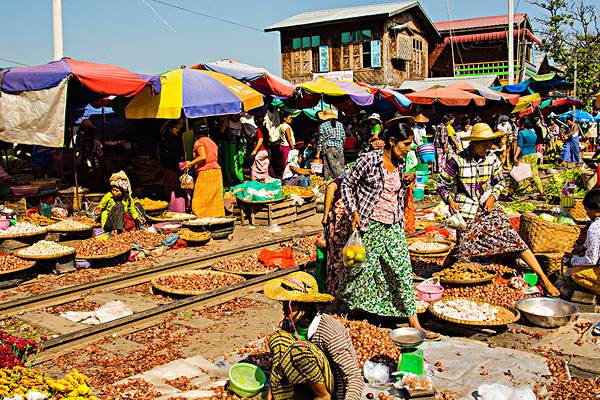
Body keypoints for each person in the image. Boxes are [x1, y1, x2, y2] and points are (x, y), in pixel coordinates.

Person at [339, 121, 438, 338]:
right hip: (370, 224)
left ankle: (415, 323)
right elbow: (346, 184)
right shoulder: (369, 160)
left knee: (402, 270)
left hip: (393, 225)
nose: (409, 149)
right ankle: (346, 312)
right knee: (358, 270)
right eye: (406, 144)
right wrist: (353, 211)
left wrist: (405, 182)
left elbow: (393, 191)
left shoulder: (400, 163)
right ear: (392, 142)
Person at [437, 123, 560, 297]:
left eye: (489, 143)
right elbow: (441, 183)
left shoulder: (492, 159)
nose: (488, 147)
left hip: (489, 207)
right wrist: (449, 200)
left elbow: (501, 181)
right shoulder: (457, 161)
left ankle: (544, 279)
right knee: (463, 252)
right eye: (484, 143)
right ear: (473, 143)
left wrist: (493, 196)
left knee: (514, 239)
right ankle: (448, 268)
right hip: (467, 210)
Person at [264, 271, 363, 400]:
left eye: (290, 304)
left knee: (299, 351)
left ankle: (323, 397)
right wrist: (271, 394)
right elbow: (279, 362)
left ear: (305, 305)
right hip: (306, 382)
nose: (284, 309)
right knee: (278, 339)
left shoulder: (330, 331)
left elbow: (354, 377)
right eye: (284, 303)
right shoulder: (289, 324)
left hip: (333, 389)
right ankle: (293, 393)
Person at [186, 120, 225, 218]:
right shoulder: (212, 142)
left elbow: (203, 157)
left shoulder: (199, 142)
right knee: (214, 199)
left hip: (206, 173)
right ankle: (217, 219)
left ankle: (201, 220)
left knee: (200, 199)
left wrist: (190, 163)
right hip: (217, 172)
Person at [322, 178, 350, 297]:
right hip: (340, 228)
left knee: (336, 259)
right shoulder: (345, 181)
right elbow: (330, 188)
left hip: (341, 228)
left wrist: (325, 215)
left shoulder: (343, 181)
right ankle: (339, 293)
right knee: (342, 260)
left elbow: (330, 188)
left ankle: (335, 291)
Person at [513, 117, 544, 198]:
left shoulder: (522, 133)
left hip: (525, 154)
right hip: (534, 154)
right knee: (534, 173)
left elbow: (520, 146)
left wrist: (515, 156)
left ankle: (518, 190)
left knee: (519, 173)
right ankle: (541, 191)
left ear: (523, 124)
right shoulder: (533, 133)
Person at [571, 190, 600, 267]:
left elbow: (591, 260)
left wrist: (572, 260)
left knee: (574, 272)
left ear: (595, 210)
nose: (586, 213)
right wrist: (583, 247)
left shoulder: (594, 228)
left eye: (586, 210)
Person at [316, 109, 346, 180]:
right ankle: (342, 181)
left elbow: (321, 140)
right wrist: (341, 147)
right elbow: (343, 137)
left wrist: (318, 153)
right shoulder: (340, 124)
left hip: (329, 148)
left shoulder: (323, 125)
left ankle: (332, 183)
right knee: (340, 166)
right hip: (339, 148)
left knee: (329, 168)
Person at [159, 119, 185, 198]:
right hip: (171, 167)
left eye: (178, 128)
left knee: (172, 188)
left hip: (171, 167)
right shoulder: (170, 140)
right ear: (170, 129)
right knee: (173, 189)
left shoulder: (168, 138)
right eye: (176, 128)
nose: (177, 130)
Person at [219, 114, 245, 185]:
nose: (237, 116)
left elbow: (242, 134)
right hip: (228, 146)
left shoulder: (240, 122)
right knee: (228, 164)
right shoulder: (227, 121)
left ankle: (238, 179)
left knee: (238, 163)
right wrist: (226, 117)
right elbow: (222, 130)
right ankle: (230, 180)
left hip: (237, 146)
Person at [250, 116, 271, 182]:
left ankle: (254, 181)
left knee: (255, 169)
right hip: (266, 151)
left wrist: (254, 151)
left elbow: (260, 140)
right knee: (263, 167)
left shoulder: (259, 129)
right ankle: (264, 181)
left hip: (261, 151)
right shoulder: (265, 129)